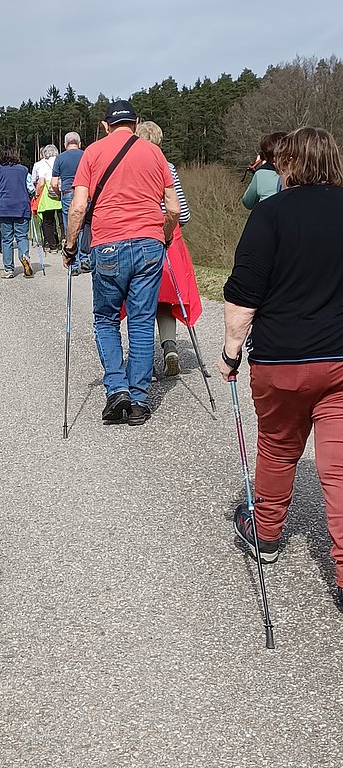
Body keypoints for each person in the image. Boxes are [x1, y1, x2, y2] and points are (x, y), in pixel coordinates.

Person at [219, 127, 343, 610]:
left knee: (276, 446)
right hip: (339, 360)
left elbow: (243, 295)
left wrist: (231, 353)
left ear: (289, 163)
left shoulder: (269, 214)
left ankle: (266, 533)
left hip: (281, 361)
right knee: (339, 466)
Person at [63, 99, 180, 426]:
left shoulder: (93, 152)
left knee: (106, 319)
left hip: (108, 245)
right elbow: (172, 208)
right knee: (142, 321)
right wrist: (165, 236)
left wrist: (70, 246)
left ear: (105, 125)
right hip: (148, 244)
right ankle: (140, 400)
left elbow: (78, 207)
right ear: (136, 121)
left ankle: (117, 389)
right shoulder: (155, 153)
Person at [135, 121, 201, 377]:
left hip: (141, 239)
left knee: (141, 299)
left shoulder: (130, 167)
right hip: (169, 241)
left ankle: (143, 360)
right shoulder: (168, 167)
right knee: (166, 299)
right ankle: (170, 347)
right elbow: (182, 213)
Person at [0, 147, 35, 279]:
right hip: (21, 207)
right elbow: (31, 189)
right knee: (22, 236)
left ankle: (9, 269)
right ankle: (24, 255)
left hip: (3, 207)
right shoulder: (23, 170)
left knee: (6, 239)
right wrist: (33, 195)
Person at [50, 132, 90, 275]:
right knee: (84, 225)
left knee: (69, 227)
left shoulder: (60, 158)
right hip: (85, 192)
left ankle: (73, 263)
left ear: (65, 144)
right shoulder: (86, 155)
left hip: (67, 192)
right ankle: (85, 259)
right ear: (79, 144)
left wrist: (59, 193)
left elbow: (54, 182)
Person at [242, 132, 286, 209]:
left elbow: (248, 202)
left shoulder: (261, 174)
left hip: (268, 218)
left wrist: (258, 169)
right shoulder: (300, 173)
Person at [35, 144, 63, 252]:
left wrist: (37, 194)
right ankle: (65, 239)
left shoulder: (42, 164)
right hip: (60, 192)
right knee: (62, 220)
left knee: (48, 221)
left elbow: (41, 183)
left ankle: (53, 245)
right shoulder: (60, 161)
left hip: (48, 195)